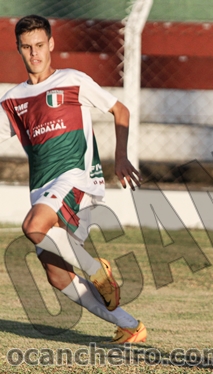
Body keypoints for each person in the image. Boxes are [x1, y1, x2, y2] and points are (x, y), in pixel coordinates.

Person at [0, 15, 146, 343]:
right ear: (18, 49)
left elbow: (120, 110)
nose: (34, 53)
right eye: (27, 47)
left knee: (33, 227)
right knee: (57, 275)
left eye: (40, 45)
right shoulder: (12, 100)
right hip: (42, 190)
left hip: (77, 180)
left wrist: (121, 156)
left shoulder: (72, 80)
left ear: (51, 44)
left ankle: (98, 272)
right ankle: (130, 326)